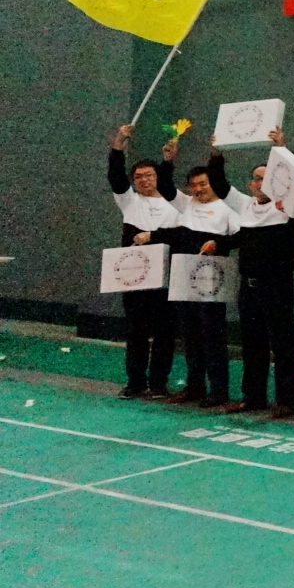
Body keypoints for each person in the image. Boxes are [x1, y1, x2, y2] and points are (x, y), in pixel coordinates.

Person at [208, 127, 294, 419]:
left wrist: (282, 148)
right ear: (251, 185)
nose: (260, 182)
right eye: (256, 178)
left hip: (277, 286)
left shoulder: (286, 207)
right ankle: (253, 397)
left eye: (266, 177)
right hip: (248, 286)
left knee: (283, 344)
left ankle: (285, 401)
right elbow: (219, 184)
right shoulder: (245, 206)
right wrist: (217, 155)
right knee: (252, 343)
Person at [138, 163, 240, 406]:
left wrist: (217, 244)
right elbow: (166, 188)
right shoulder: (187, 204)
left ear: (214, 184)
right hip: (184, 278)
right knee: (190, 335)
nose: (198, 189)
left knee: (212, 336)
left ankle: (219, 391)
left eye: (203, 183)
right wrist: (168, 162)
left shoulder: (228, 208)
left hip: (211, 280)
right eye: (193, 185)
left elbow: (238, 238)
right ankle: (195, 387)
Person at [107, 123, 180, 399]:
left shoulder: (176, 205)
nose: (143, 180)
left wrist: (169, 161)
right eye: (138, 177)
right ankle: (135, 382)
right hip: (134, 278)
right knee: (136, 331)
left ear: (158, 177)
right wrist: (118, 144)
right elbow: (115, 175)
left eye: (149, 175)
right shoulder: (129, 202)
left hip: (166, 280)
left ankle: (159, 383)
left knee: (164, 332)